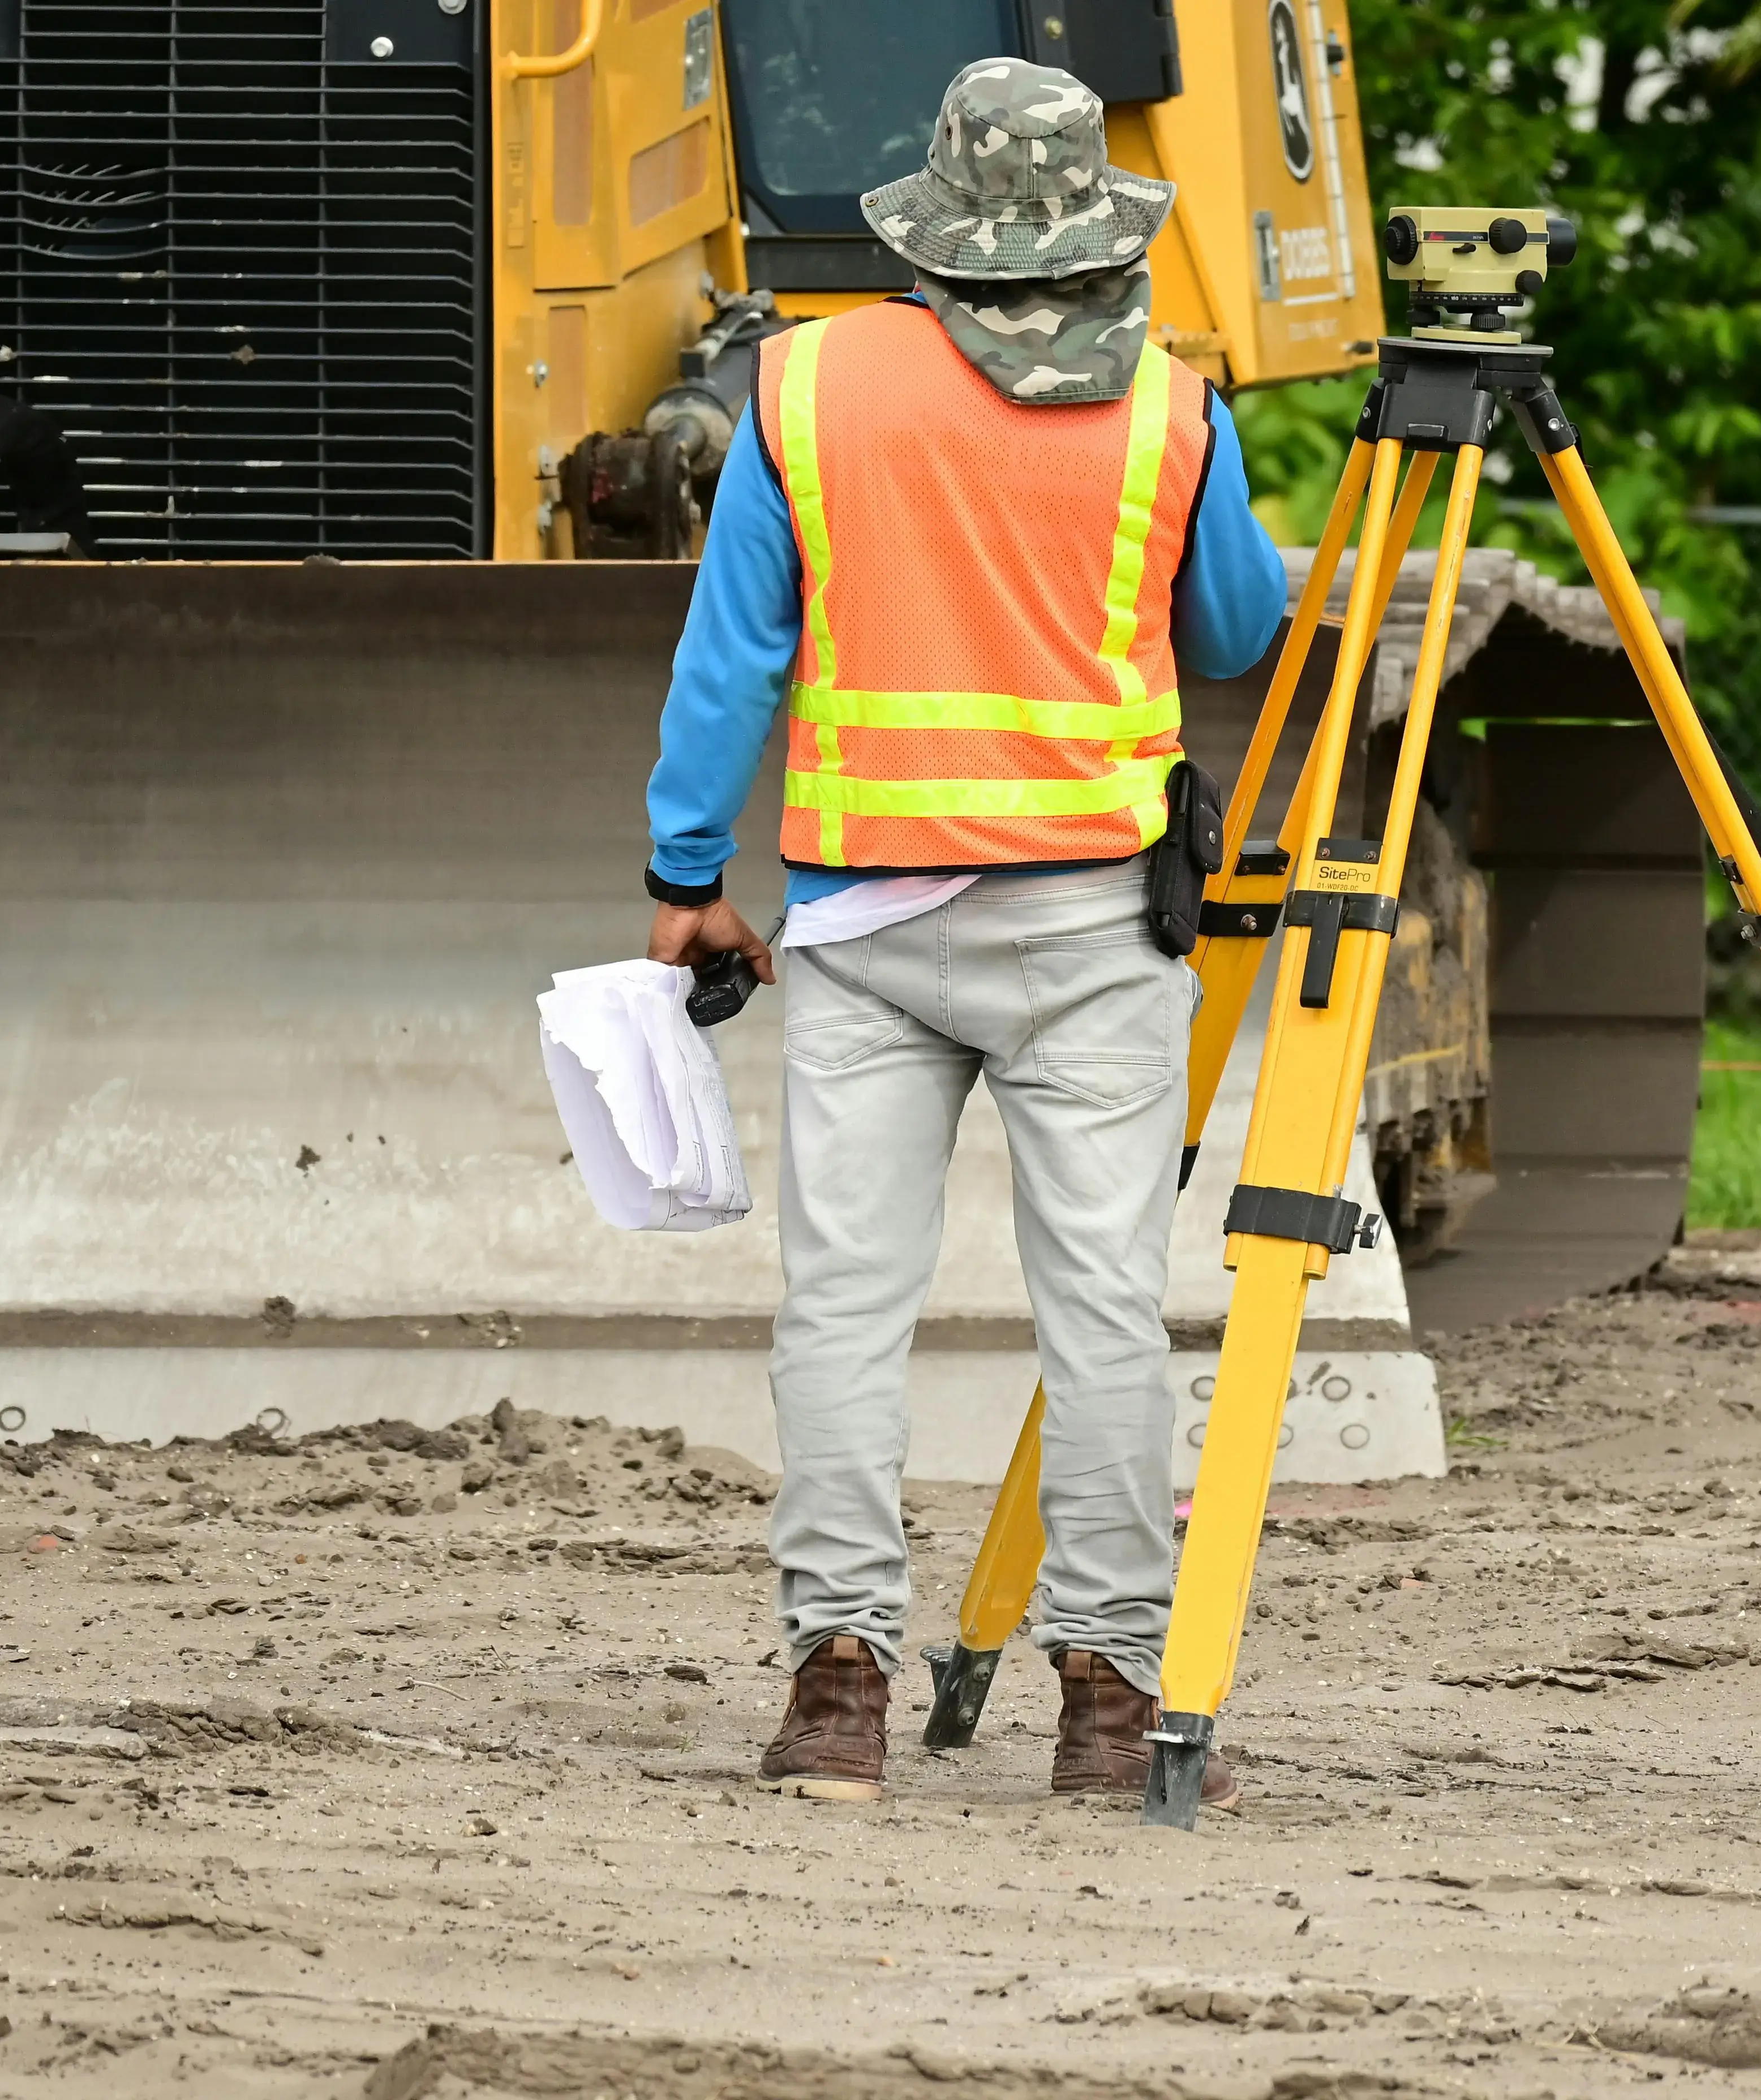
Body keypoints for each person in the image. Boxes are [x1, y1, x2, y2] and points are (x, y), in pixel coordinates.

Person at [642, 58, 1288, 1805]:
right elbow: (1233, 628)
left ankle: (837, 1694)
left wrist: (685, 869)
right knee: (1101, 1312)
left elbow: (732, 662)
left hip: (863, 923)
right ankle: (1107, 1704)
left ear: (932, 226)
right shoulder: (1174, 409)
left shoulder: (801, 389)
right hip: (1095, 936)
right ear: (1093, 223)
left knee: (845, 1305)